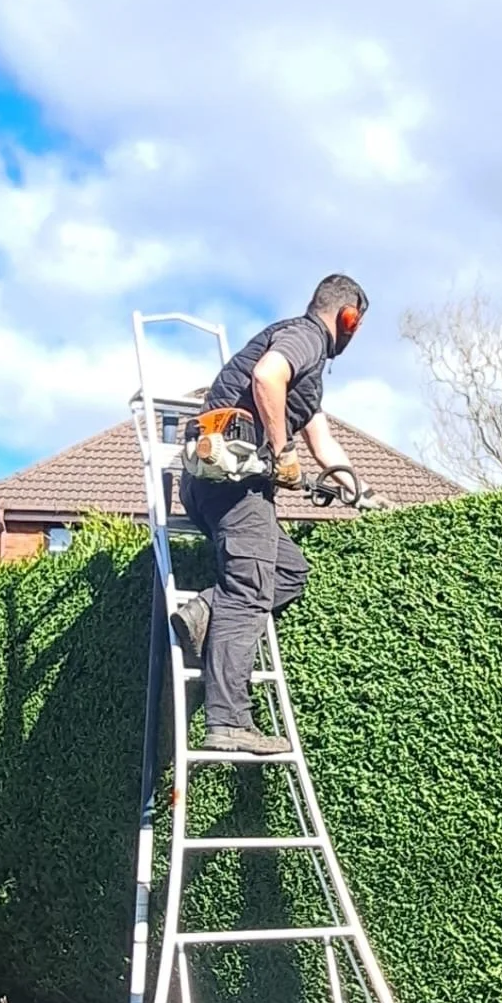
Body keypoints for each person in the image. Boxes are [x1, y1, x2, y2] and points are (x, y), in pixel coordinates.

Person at [173, 272, 370, 756]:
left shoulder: (310, 372)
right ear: (349, 319)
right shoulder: (304, 337)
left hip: (211, 491)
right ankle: (229, 721)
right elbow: (267, 376)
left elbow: (323, 443)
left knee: (289, 571)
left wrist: (361, 494)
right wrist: (282, 453)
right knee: (249, 593)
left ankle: (202, 608)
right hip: (238, 488)